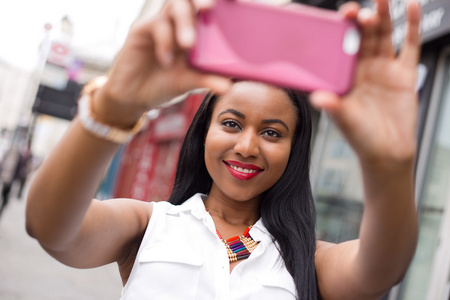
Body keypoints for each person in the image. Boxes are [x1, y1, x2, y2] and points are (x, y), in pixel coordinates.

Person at [25, 0, 422, 298]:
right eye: (231, 124)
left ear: (294, 150)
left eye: (272, 133)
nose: (247, 146)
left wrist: (390, 168)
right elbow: (51, 228)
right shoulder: (148, 226)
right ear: (204, 133)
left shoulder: (309, 261)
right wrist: (113, 106)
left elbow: (382, 267)